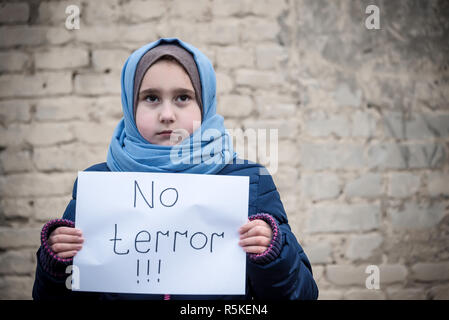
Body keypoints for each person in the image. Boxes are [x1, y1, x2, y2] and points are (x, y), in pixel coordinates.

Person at [32, 38, 318, 300]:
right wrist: (56, 262)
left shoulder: (249, 182)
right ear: (130, 107)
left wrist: (274, 251)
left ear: (204, 105)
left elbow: (301, 295)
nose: (167, 115)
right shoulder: (97, 186)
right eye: (151, 98)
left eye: (183, 97)